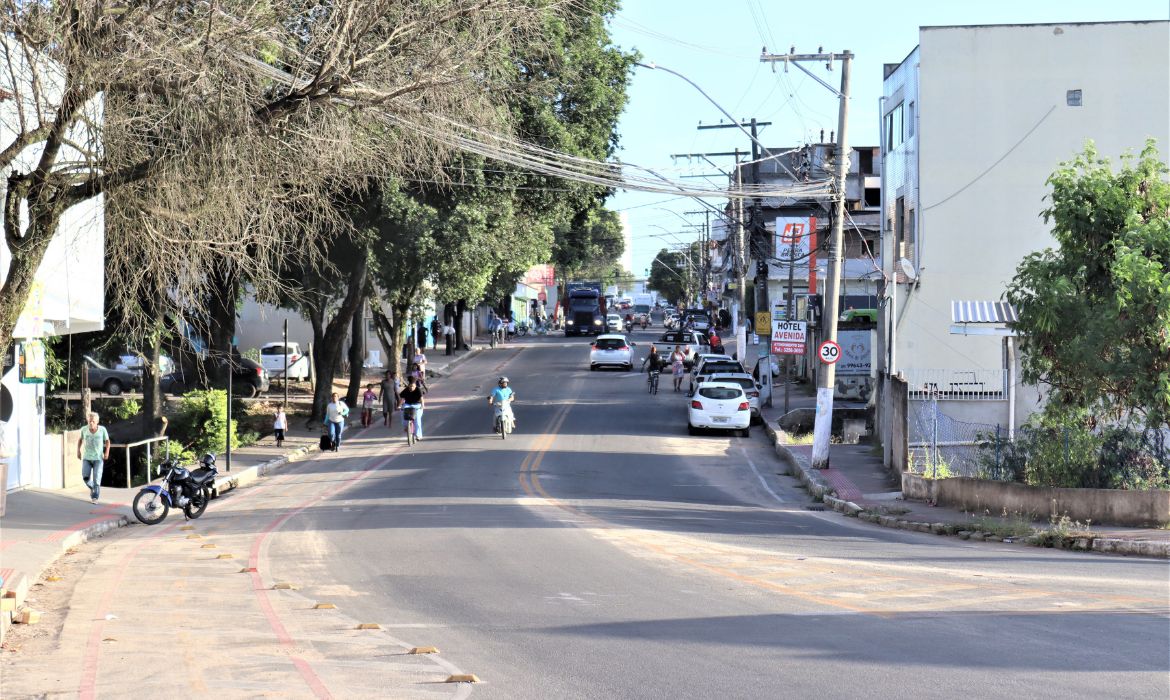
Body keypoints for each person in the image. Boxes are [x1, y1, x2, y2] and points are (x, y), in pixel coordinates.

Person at [76, 411, 110, 504]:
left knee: (97, 478)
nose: (91, 423)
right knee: (85, 477)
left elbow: (107, 441)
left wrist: (107, 452)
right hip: (87, 457)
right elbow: (80, 440)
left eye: (93, 421)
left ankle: (95, 497)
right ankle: (93, 488)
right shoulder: (84, 429)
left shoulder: (102, 430)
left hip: (98, 458)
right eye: (89, 421)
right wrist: (78, 451)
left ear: (97, 422)